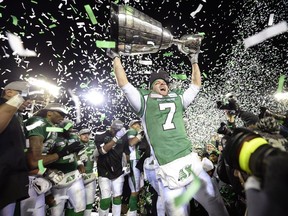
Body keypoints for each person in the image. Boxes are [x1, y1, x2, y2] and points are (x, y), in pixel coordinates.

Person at [107, 37, 229, 215]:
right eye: (158, 82)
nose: (163, 83)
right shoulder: (144, 101)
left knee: (215, 203)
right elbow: (124, 85)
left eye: (165, 82)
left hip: (189, 161)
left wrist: (194, 61)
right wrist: (116, 58)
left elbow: (195, 86)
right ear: (150, 87)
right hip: (167, 167)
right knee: (176, 212)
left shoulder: (177, 98)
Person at [20, 103, 84, 216]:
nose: (63, 117)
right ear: (49, 112)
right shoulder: (39, 122)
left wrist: (44, 172)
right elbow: (33, 161)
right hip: (26, 178)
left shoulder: (51, 128)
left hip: (37, 178)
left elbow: (41, 161)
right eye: (61, 114)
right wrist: (63, 153)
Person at [0, 81, 31, 216]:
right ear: (8, 92)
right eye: (22, 95)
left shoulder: (17, 116)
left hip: (10, 177)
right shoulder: (4, 107)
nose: (26, 101)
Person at [46, 119, 86, 216]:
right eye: (68, 128)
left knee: (80, 207)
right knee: (56, 212)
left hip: (74, 175)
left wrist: (80, 163)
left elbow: (77, 153)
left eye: (71, 128)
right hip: (57, 179)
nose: (71, 131)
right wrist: (47, 172)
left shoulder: (74, 137)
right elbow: (42, 159)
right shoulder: (52, 137)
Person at [94, 119, 129, 216]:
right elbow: (102, 151)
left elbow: (126, 153)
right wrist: (116, 138)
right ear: (111, 127)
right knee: (105, 198)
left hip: (118, 171)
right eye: (115, 129)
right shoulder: (101, 135)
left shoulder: (124, 136)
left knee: (117, 197)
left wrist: (128, 165)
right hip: (104, 170)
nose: (116, 132)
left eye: (118, 130)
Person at [126, 119, 144, 216]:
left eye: (139, 124)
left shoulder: (134, 132)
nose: (139, 125)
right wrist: (140, 134)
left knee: (138, 187)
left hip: (137, 162)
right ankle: (132, 213)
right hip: (133, 161)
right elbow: (132, 143)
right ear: (132, 125)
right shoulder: (131, 131)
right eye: (137, 124)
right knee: (134, 190)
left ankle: (132, 211)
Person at [77, 128, 98, 216]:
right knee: (78, 202)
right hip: (77, 176)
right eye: (83, 134)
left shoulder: (93, 144)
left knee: (89, 200)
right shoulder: (76, 144)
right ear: (79, 136)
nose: (86, 136)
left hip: (90, 174)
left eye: (87, 134)